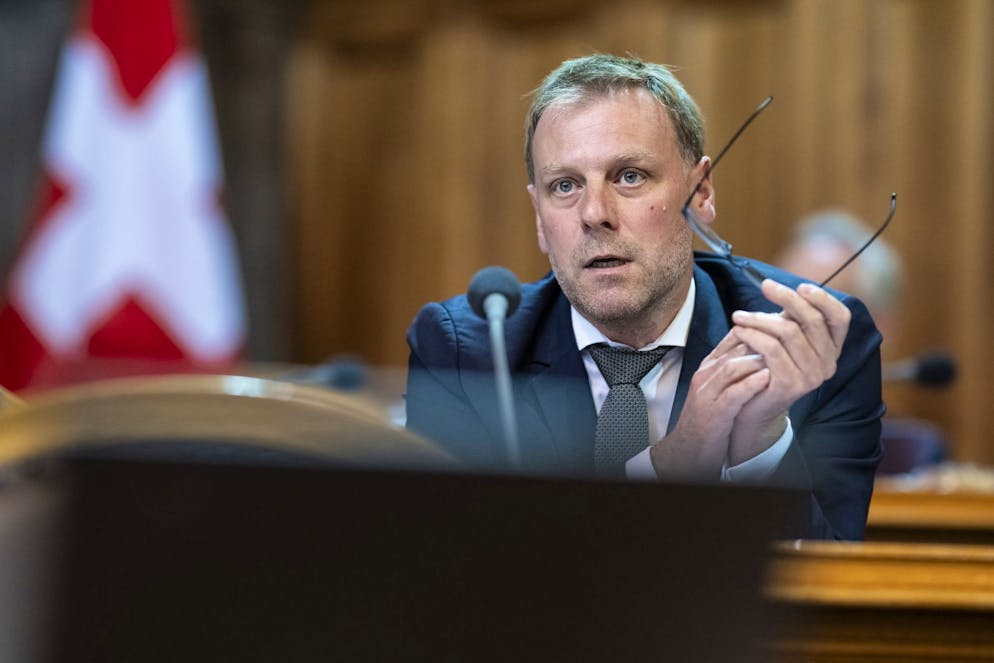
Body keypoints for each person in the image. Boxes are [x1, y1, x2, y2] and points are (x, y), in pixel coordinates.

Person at [406, 54, 883, 540]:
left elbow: (827, 588)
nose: (594, 213)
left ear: (700, 193)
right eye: (565, 186)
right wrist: (675, 460)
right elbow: (457, 578)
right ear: (539, 217)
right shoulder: (467, 352)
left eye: (629, 176)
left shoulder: (811, 345)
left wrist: (759, 443)